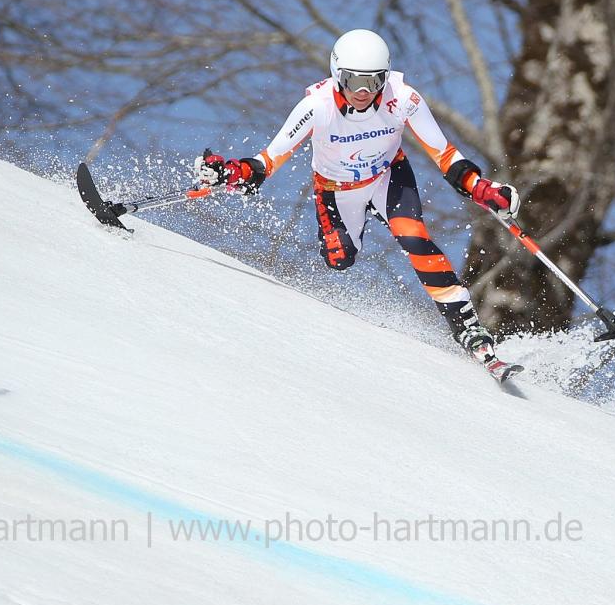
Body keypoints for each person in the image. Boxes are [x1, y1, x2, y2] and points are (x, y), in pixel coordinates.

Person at [194, 29, 521, 379]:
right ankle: (357, 222)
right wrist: (233, 172)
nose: (364, 91)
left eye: (373, 81)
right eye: (353, 81)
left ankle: (468, 327)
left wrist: (481, 187)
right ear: (338, 75)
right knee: (339, 259)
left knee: (413, 236)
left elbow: (445, 154)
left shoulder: (402, 98)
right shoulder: (316, 107)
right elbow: (267, 161)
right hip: (337, 190)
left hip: (387, 177)